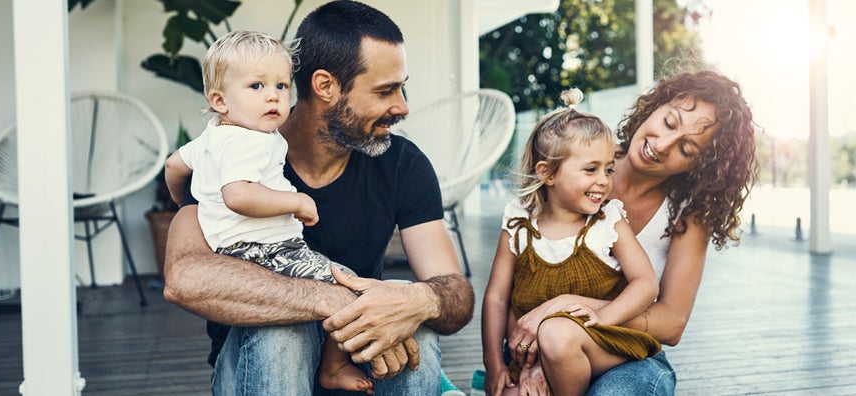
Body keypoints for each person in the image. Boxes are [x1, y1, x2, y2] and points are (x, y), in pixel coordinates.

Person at [162, 1, 475, 395]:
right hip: (257, 370)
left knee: (416, 329)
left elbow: (455, 292)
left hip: (352, 365)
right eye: (385, 91)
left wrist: (419, 301)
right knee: (284, 333)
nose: (402, 106)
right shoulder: (229, 150)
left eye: (401, 87)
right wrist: (330, 299)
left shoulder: (402, 164)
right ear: (325, 86)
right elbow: (185, 278)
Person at [505, 70, 759, 395]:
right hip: (536, 343)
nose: (663, 145)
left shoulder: (688, 213)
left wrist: (571, 308)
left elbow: (673, 322)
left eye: (687, 149)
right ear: (654, 106)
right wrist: (529, 362)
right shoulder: (575, 158)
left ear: (700, 165)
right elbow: (509, 284)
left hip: (630, 356)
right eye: (669, 122)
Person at [163, 30, 378, 393]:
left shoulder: (213, 136)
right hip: (265, 250)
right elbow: (238, 196)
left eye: (281, 85)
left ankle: (331, 365)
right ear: (219, 99)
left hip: (236, 252)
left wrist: (180, 199)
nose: (273, 96)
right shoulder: (248, 142)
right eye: (256, 86)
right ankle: (333, 367)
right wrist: (297, 202)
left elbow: (173, 166)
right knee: (349, 286)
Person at [481, 89, 662, 396]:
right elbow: (497, 298)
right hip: (532, 354)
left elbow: (646, 283)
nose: (604, 181)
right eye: (590, 169)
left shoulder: (608, 222)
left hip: (604, 343)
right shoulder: (518, 225)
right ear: (547, 173)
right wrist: (494, 364)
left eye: (608, 169)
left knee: (555, 332)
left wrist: (604, 316)